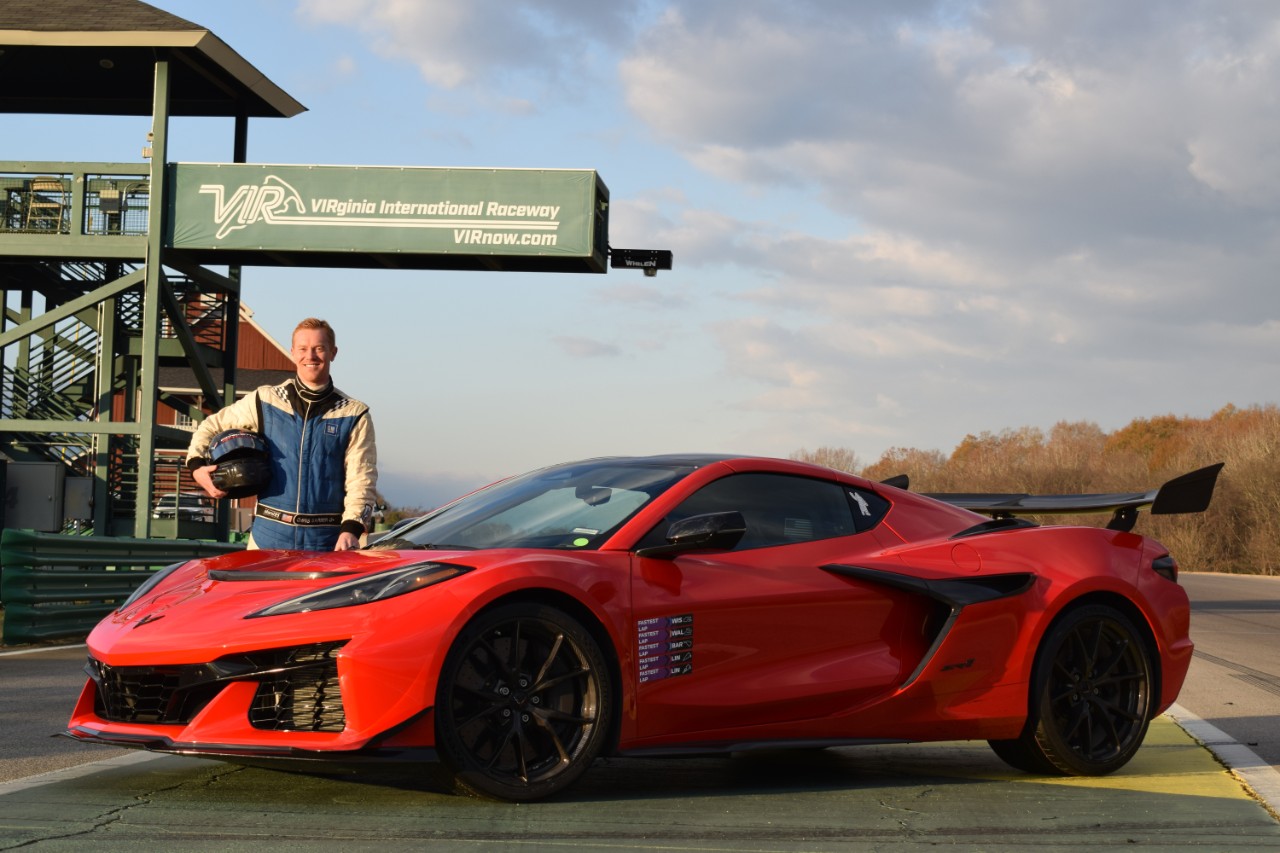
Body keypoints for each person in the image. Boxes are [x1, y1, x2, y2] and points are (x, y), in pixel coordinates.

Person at [185, 318, 377, 551]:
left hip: (329, 542)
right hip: (268, 537)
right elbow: (210, 426)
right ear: (293, 352)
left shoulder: (354, 413)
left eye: (319, 348)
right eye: (303, 349)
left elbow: (362, 478)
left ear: (333, 352)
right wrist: (196, 468)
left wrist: (351, 529)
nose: (311, 356)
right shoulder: (265, 400)